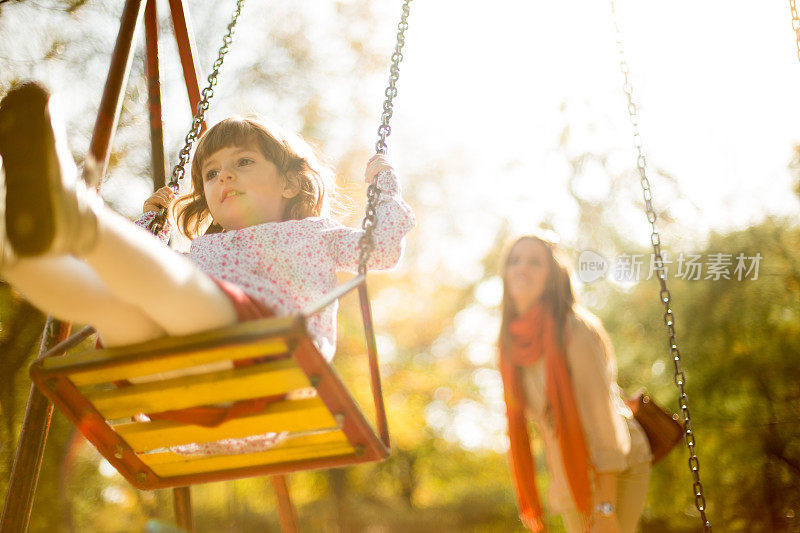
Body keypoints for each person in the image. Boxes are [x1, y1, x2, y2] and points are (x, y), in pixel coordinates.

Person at [0, 81, 415, 453]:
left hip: (267, 361)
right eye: (211, 172)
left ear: (289, 183)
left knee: (176, 287)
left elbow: (380, 249)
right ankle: (18, 255)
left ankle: (75, 214)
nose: (224, 177)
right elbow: (137, 268)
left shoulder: (316, 233)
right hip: (170, 390)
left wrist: (384, 186)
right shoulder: (202, 251)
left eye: (243, 162)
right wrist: (151, 224)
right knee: (113, 303)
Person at [498, 235, 651, 533]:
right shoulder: (509, 344)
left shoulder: (573, 329)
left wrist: (605, 508)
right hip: (570, 475)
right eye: (514, 261)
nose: (522, 269)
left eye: (534, 262)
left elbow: (602, 418)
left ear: (553, 275)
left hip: (616, 465)